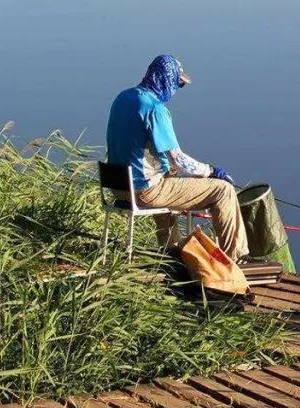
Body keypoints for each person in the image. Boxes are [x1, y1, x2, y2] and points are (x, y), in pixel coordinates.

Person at [105, 54, 249, 261]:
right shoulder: (155, 109)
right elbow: (178, 159)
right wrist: (211, 171)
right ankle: (236, 257)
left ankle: (171, 252)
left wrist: (165, 168)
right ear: (166, 80)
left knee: (168, 177)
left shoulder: (123, 98)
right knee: (223, 191)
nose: (176, 90)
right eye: (177, 84)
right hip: (144, 192)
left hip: (118, 187)